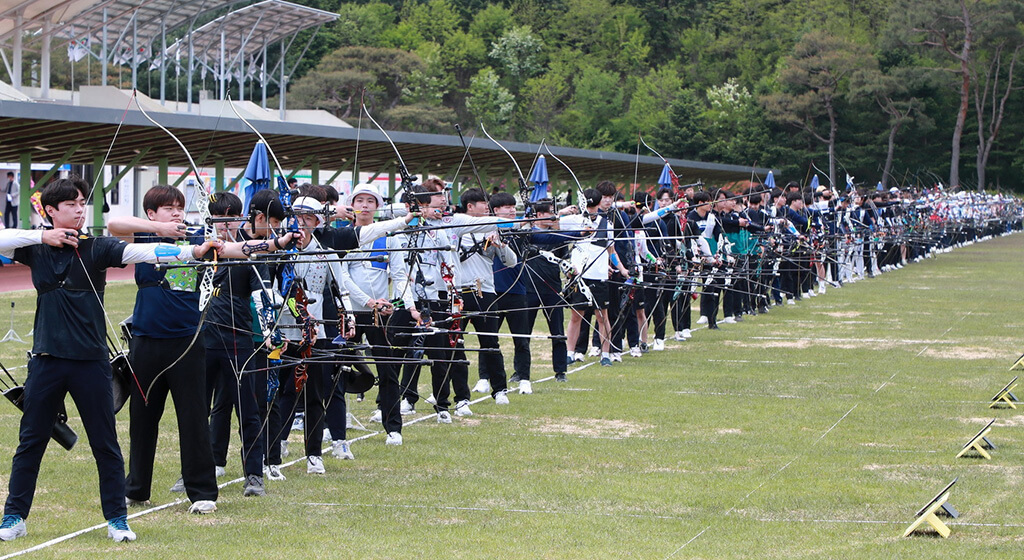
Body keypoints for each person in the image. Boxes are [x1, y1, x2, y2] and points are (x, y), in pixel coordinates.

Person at [0, 176, 221, 542]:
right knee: (30, 442)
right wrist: (43, 236)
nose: (79, 209)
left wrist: (192, 252)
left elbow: (147, 253)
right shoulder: (33, 248)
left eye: (82, 202)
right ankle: (14, 518)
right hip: (46, 361)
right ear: (50, 210)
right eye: (70, 204)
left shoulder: (98, 247)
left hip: (90, 362)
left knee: (105, 443)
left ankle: (117, 520)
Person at [108, 185, 295, 515]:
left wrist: (276, 243)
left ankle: (202, 492)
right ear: (152, 213)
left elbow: (237, 249)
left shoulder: (198, 239)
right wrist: (159, 229)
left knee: (193, 418)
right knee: (142, 418)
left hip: (188, 343)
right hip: (146, 341)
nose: (177, 213)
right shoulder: (143, 238)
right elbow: (114, 226)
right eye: (169, 208)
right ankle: (136, 487)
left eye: (179, 207)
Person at [341, 184, 418, 446]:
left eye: (370, 201)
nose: (364, 205)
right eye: (359, 200)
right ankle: (334, 425)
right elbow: (342, 277)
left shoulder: (390, 238)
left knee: (387, 371)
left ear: (377, 206)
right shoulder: (344, 236)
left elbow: (398, 276)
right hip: (350, 312)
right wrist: (366, 301)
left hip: (380, 315)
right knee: (337, 367)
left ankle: (393, 427)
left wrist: (409, 306)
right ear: (352, 205)